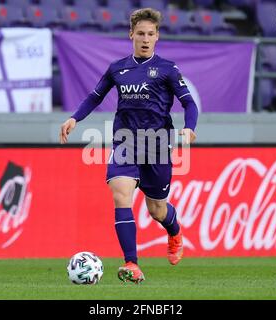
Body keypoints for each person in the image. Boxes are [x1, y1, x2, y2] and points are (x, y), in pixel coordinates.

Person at [60, 8, 198, 284]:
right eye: (140, 34)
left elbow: (189, 103)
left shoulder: (168, 70)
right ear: (131, 35)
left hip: (157, 145)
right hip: (125, 141)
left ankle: (174, 232)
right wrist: (75, 118)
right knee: (121, 194)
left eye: (150, 34)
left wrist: (189, 128)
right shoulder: (117, 68)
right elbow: (94, 97)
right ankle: (131, 263)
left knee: (156, 210)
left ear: (157, 36)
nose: (145, 39)